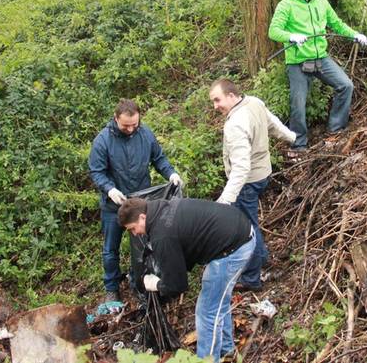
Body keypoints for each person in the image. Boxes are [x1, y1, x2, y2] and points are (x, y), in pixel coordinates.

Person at [119, 197, 255, 363]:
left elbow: (177, 285)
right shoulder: (161, 207)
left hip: (234, 248)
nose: (135, 233)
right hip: (240, 230)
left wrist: (156, 284)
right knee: (218, 300)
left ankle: (208, 360)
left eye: (133, 228)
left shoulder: (162, 235)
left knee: (207, 312)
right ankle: (227, 350)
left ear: (142, 217)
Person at [88, 98, 182, 302]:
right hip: (114, 206)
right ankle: (111, 289)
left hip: (141, 203)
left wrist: (171, 174)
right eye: (125, 125)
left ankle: (139, 282)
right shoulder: (103, 141)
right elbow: (96, 171)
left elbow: (159, 159)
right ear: (115, 119)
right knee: (110, 249)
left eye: (134, 125)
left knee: (143, 247)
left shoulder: (145, 134)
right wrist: (109, 188)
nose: (131, 129)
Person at [209, 78, 296, 291]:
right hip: (263, 174)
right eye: (213, 101)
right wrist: (291, 137)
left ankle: (251, 278)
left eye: (218, 100)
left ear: (231, 95)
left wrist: (226, 199)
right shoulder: (254, 102)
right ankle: (262, 257)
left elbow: (241, 168)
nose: (215, 106)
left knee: (246, 229)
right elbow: (273, 124)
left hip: (247, 182)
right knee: (251, 222)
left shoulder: (235, 124)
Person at [268, 0, 367, 152]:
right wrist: (291, 36)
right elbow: (273, 31)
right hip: (297, 62)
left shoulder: (321, 3)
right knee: (298, 104)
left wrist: (354, 34)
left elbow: (336, 24)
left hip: (321, 58)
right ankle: (299, 146)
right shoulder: (286, 5)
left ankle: (335, 130)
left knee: (346, 85)